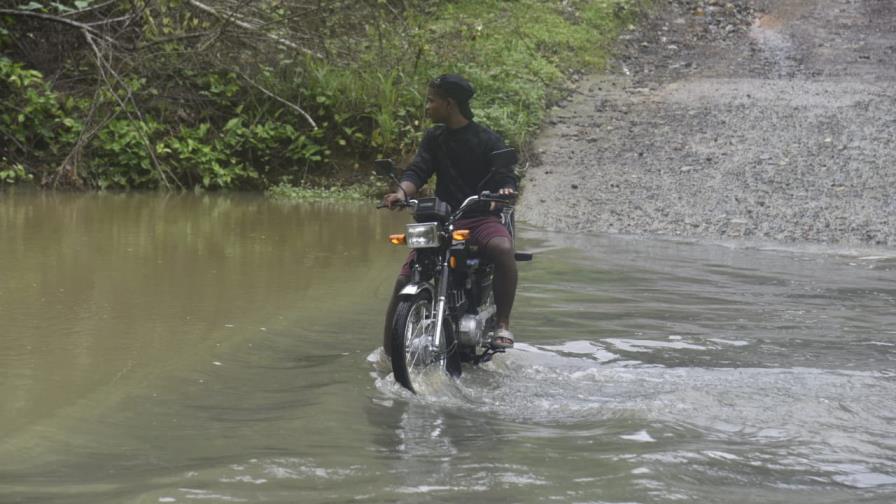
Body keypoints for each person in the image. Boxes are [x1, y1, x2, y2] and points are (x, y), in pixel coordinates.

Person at [382, 74, 518, 354]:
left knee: (503, 249)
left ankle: (503, 324)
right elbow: (418, 170)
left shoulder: (487, 140)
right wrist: (403, 193)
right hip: (441, 220)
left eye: (431, 101)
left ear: (449, 103)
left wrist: (504, 191)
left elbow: (506, 178)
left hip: (479, 217)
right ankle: (389, 351)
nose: (427, 107)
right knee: (404, 279)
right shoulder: (435, 137)